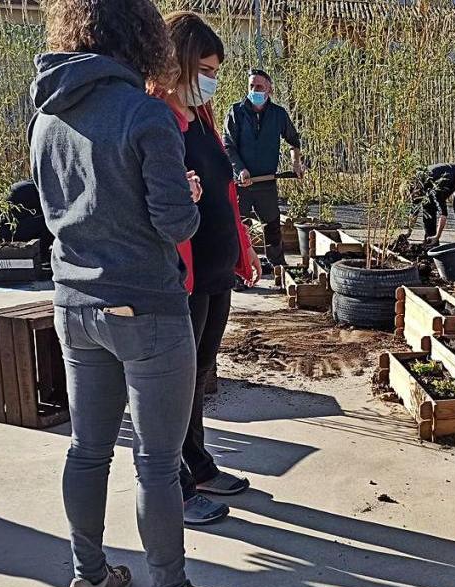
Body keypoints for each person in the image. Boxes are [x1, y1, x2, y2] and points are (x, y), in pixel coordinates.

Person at [30, 0, 231, 587]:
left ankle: (89, 579)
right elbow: (177, 224)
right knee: (155, 461)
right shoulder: (146, 115)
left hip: (75, 309)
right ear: (142, 37)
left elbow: (58, 215)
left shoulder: (47, 118)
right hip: (146, 309)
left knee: (87, 450)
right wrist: (189, 196)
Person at [160, 11, 260, 526]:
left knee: (199, 374)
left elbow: (224, 194)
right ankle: (174, 481)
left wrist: (244, 251)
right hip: (184, 279)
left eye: (216, 70)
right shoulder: (158, 122)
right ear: (175, 62)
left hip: (216, 273)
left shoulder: (202, 120)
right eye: (203, 68)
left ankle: (197, 463)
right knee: (177, 383)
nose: (210, 80)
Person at [222, 67, 303, 271]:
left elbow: (293, 140)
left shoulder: (278, 114)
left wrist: (296, 162)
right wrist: (240, 169)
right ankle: (239, 270)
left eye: (259, 86)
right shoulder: (236, 112)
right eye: (252, 86)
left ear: (269, 89)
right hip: (243, 183)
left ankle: (277, 266)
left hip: (266, 182)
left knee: (272, 224)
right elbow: (228, 145)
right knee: (241, 226)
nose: (255, 90)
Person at [409, 163, 455, 245]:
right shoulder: (415, 186)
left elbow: (443, 214)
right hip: (449, 177)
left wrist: (437, 236)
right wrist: (409, 233)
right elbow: (414, 211)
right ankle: (430, 240)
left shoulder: (435, 187)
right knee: (427, 206)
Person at [0, 180, 54, 249]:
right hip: (8, 230)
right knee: (52, 222)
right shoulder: (42, 189)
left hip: (2, 229)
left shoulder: (32, 184)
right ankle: (43, 254)